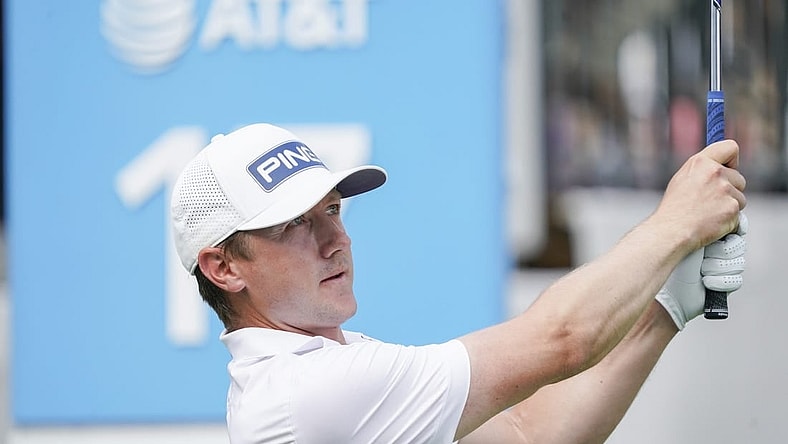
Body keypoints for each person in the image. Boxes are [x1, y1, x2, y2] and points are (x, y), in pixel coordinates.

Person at [169, 122, 747, 443]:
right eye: (295, 224)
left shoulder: (318, 372)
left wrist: (665, 307)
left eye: (333, 210)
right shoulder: (308, 392)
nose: (334, 239)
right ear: (224, 268)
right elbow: (562, 338)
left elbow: (528, 434)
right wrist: (676, 223)